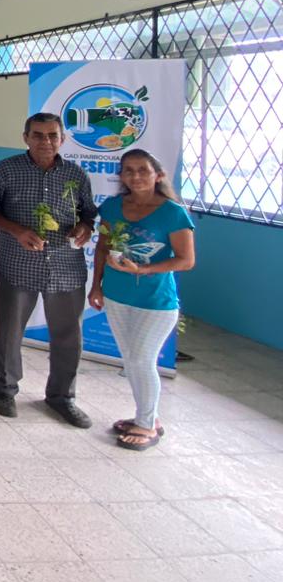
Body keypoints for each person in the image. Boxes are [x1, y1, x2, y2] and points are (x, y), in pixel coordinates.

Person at [0, 113, 97, 427]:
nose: (45, 141)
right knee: (9, 331)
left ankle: (62, 396)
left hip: (66, 268)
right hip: (18, 265)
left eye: (52, 135)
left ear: (62, 139)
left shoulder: (76, 174)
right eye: (37, 135)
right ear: (26, 138)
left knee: (68, 336)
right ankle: (5, 389)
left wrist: (85, 227)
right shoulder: (5, 170)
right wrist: (17, 230)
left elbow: (89, 213)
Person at [88, 150, 195, 451]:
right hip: (117, 296)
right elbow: (103, 248)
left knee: (141, 360)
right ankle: (148, 416)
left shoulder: (173, 213)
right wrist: (96, 286)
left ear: (158, 175)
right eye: (128, 170)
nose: (135, 176)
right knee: (132, 360)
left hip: (156, 301)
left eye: (143, 170)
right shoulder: (112, 207)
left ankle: (147, 425)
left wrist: (144, 270)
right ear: (121, 176)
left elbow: (186, 260)